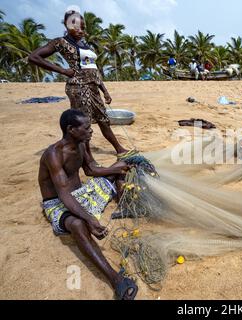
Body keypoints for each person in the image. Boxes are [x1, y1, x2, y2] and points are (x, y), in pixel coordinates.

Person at [39, 109, 138, 299]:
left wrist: (115, 168)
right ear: (71, 130)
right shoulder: (54, 154)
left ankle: (125, 208)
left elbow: (91, 169)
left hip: (79, 194)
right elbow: (64, 194)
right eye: (86, 128)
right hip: (58, 203)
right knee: (78, 224)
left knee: (118, 172)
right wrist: (89, 218)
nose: (91, 131)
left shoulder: (82, 144)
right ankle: (116, 280)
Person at [28, 10, 130, 158]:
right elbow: (33, 57)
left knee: (103, 119)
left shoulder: (85, 45)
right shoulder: (60, 42)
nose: (80, 30)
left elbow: (93, 68)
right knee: (83, 124)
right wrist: (62, 70)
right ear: (66, 25)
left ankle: (119, 148)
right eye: (76, 27)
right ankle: (88, 159)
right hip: (78, 87)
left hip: (93, 87)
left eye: (82, 27)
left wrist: (104, 90)